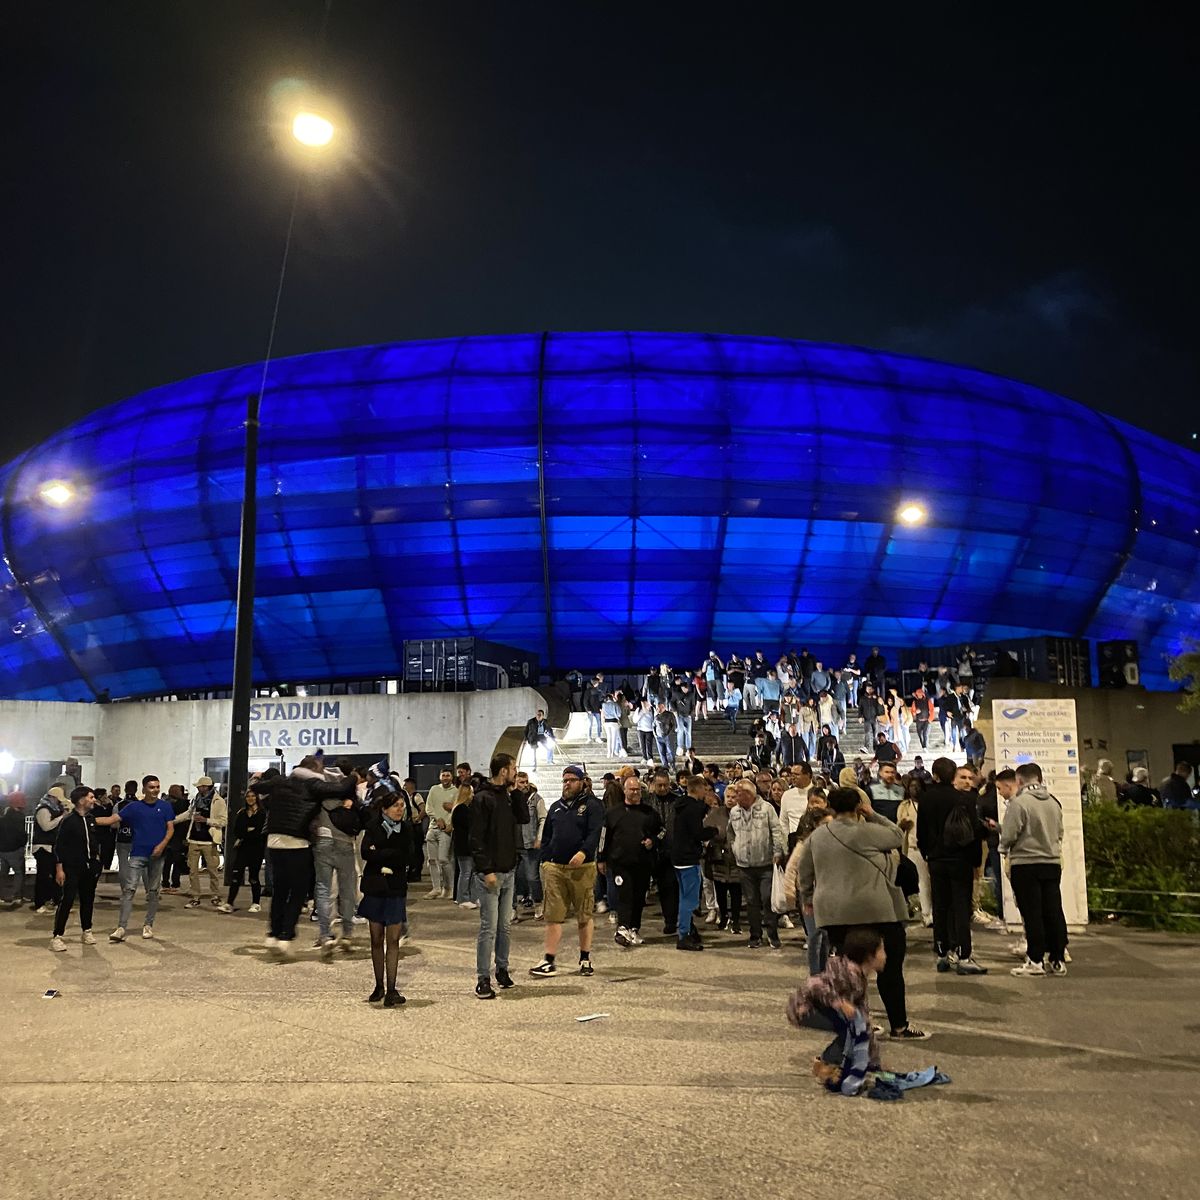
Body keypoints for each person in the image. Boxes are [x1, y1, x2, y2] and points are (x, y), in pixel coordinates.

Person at [795, 786, 927, 1040]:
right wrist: (873, 814)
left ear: (830, 808)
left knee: (850, 972)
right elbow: (897, 835)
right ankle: (899, 1026)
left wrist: (808, 898)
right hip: (875, 909)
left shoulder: (817, 836)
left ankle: (858, 1022)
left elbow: (805, 871)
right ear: (858, 807)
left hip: (834, 913)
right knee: (890, 969)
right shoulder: (867, 831)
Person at [253, 759, 356, 957]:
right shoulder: (313, 784)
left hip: (274, 841)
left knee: (280, 891)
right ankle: (285, 936)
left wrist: (255, 777)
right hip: (297, 842)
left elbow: (257, 786)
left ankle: (273, 934)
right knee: (298, 891)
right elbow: (342, 788)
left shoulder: (280, 781)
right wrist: (352, 775)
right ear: (315, 769)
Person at [787, 926, 888, 1095]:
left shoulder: (859, 977)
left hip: (820, 1008)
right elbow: (814, 984)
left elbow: (863, 1021)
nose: (885, 955)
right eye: (881, 951)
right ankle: (825, 1063)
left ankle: (831, 1063)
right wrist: (839, 1002)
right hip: (803, 1009)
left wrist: (874, 1062)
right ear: (869, 956)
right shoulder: (846, 972)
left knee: (855, 1026)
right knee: (848, 1029)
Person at [530, 766, 604, 978]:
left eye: (572, 780)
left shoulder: (592, 806)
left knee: (584, 913)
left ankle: (585, 957)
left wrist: (583, 852)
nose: (567, 783)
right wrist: (545, 860)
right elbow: (547, 836)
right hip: (556, 868)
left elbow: (594, 833)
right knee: (553, 915)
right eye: (565, 780)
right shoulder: (556, 807)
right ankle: (549, 959)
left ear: (582, 782)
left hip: (582, 868)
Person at [916, 759, 988, 975]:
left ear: (935, 775)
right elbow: (973, 832)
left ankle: (941, 953)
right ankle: (963, 955)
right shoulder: (962, 799)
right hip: (960, 859)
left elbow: (922, 832)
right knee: (960, 906)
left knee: (940, 906)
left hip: (936, 860)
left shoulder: (926, 798)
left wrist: (928, 853)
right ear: (953, 775)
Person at [469, 753, 530, 999]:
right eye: (513, 768)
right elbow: (476, 838)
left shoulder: (507, 796)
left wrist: (516, 792)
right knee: (488, 928)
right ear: (503, 771)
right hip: (491, 874)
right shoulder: (482, 798)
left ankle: (502, 970)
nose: (516, 772)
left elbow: (524, 818)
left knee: (504, 927)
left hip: (509, 870)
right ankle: (483, 977)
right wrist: (486, 869)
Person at [1001, 762, 1069, 978]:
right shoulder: (1053, 802)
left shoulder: (1019, 803)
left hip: (1026, 864)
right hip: (1051, 863)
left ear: (1019, 781)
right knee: (1053, 911)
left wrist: (1002, 847)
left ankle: (1035, 960)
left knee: (1032, 914)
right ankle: (1057, 959)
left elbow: (1010, 834)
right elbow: (1059, 832)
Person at [358, 786, 414, 1007]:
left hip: (396, 888)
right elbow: (366, 852)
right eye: (395, 806)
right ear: (385, 808)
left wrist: (381, 854)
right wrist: (389, 854)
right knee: (375, 938)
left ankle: (391, 988)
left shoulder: (407, 829)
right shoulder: (373, 826)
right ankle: (378, 985)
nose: (399, 810)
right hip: (375, 887)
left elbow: (408, 856)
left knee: (393, 939)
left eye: (402, 806)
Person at [111, 775, 178, 943]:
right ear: (144, 789)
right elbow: (114, 819)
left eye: (157, 787)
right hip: (138, 853)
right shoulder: (134, 807)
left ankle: (148, 924)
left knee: (153, 891)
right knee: (129, 889)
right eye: (151, 787)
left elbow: (170, 829)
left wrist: (162, 845)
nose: (155, 790)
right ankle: (121, 927)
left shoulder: (165, 807)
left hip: (157, 855)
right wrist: (89, 820)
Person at [600, 774, 662, 948]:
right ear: (625, 790)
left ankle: (634, 928)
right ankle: (623, 927)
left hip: (642, 862)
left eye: (638, 789)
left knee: (638, 897)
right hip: (620, 863)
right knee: (624, 895)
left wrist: (653, 841)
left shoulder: (649, 813)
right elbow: (604, 837)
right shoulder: (613, 813)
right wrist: (601, 858)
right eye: (632, 789)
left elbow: (662, 831)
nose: (635, 792)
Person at [49, 786, 111, 952]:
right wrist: (59, 868)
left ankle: (87, 930)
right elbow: (59, 846)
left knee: (88, 899)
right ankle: (57, 935)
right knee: (67, 900)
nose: (93, 800)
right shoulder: (68, 821)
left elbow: (93, 841)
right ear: (82, 799)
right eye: (91, 797)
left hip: (90, 868)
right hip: (72, 867)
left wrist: (97, 860)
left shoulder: (91, 819)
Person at [726, 779, 785, 950]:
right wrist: (734, 847)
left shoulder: (766, 808)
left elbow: (776, 830)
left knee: (767, 899)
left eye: (739, 792)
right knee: (751, 902)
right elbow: (730, 832)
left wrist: (777, 852)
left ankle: (772, 934)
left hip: (765, 863)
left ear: (749, 794)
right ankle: (755, 935)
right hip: (744, 865)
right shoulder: (734, 812)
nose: (736, 796)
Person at [312, 769, 363, 953]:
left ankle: (325, 935)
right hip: (345, 844)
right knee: (347, 890)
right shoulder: (349, 799)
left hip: (323, 842)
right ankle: (347, 935)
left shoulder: (319, 798)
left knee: (324, 890)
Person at [672, 776, 716, 951]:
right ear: (698, 789)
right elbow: (697, 833)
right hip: (688, 858)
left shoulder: (681, 805)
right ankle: (683, 935)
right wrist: (713, 831)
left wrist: (705, 805)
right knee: (689, 900)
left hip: (677, 857)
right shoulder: (693, 809)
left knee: (684, 896)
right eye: (704, 789)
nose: (706, 792)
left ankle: (687, 929)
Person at [183, 776, 227, 908]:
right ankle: (195, 896)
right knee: (192, 870)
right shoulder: (196, 800)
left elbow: (224, 821)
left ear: (206, 787)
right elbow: (188, 814)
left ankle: (215, 895)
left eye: (200, 786)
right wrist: (172, 821)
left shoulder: (218, 801)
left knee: (212, 870)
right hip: (194, 839)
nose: (198, 788)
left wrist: (206, 820)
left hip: (209, 840)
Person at [703, 786, 742, 934]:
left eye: (734, 797)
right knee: (720, 891)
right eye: (728, 797)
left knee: (736, 891)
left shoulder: (742, 812)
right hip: (719, 858)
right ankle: (724, 917)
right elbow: (705, 830)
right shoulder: (716, 813)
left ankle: (736, 920)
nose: (731, 800)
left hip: (736, 858)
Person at [221, 785, 266, 913]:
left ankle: (256, 903)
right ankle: (229, 902)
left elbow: (260, 832)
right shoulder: (241, 813)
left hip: (256, 849)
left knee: (253, 877)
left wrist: (248, 832)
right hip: (243, 848)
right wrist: (248, 832)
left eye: (253, 796)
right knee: (236, 876)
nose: (250, 799)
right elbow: (238, 830)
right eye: (248, 796)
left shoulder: (262, 814)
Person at [512, 771, 546, 914]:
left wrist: (539, 838)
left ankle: (538, 903)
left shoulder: (536, 799)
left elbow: (543, 819)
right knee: (511, 879)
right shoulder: (509, 799)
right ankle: (512, 908)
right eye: (521, 782)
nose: (524, 785)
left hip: (530, 845)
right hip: (512, 845)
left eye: (526, 782)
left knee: (532, 877)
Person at [31, 786, 69, 914]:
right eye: (58, 799)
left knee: (55, 876)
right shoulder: (43, 810)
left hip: (52, 847)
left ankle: (56, 901)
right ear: (52, 798)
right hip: (43, 848)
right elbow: (46, 827)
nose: (59, 802)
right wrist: (61, 817)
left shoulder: (54, 809)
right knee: (43, 876)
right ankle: (39, 903)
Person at [423, 767, 458, 899]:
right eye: (443, 775)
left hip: (446, 830)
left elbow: (456, 810)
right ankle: (436, 888)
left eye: (448, 775)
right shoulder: (434, 789)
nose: (445, 778)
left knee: (444, 859)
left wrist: (448, 824)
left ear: (451, 777)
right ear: (440, 777)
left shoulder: (455, 792)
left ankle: (450, 888)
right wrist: (437, 819)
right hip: (433, 828)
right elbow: (428, 807)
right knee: (432, 860)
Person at [450, 785, 479, 909]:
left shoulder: (462, 808)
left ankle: (472, 897)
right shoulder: (461, 809)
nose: (473, 795)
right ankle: (463, 898)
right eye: (471, 793)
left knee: (470, 873)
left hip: (466, 846)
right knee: (466, 873)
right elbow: (470, 826)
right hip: (464, 846)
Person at [0, 790, 28, 908]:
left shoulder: (4, 815)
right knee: (18, 873)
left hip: (3, 849)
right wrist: (23, 843)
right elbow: (21, 834)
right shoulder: (19, 817)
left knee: (3, 873)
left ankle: (3, 896)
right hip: (15, 849)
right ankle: (16, 896)